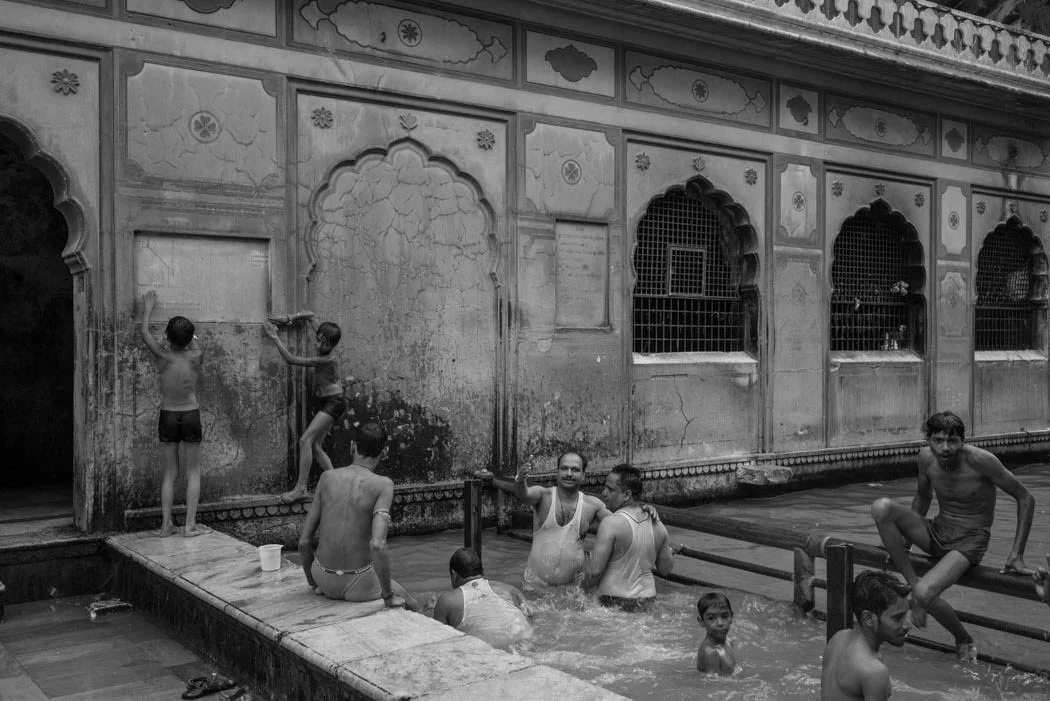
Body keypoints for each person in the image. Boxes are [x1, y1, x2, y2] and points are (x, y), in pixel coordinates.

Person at [871, 410, 1034, 662]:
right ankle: (913, 584)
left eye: (952, 441)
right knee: (881, 507)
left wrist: (1017, 554)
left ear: (963, 441)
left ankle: (963, 637)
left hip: (971, 539)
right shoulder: (925, 458)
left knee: (925, 593)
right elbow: (922, 496)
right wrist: (907, 539)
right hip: (938, 529)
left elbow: (1025, 497)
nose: (945, 448)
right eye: (938, 440)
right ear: (928, 440)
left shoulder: (981, 460)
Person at [297, 421, 418, 610]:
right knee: (412, 603)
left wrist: (314, 583)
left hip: (322, 577)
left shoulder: (327, 477)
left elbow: (304, 542)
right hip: (360, 584)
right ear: (384, 452)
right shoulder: (383, 485)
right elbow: (377, 545)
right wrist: (388, 596)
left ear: (352, 446)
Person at [476, 452, 610, 591]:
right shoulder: (544, 496)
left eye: (575, 469)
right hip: (535, 588)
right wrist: (520, 480)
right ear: (557, 472)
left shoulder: (593, 505)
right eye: (564, 468)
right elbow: (524, 494)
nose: (569, 473)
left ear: (583, 475)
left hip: (571, 591)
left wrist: (596, 562)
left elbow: (619, 524)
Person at [139, 290, 205, 538]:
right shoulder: (196, 356)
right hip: (190, 414)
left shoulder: (163, 356)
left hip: (167, 414)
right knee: (193, 471)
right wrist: (190, 335)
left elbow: (145, 334)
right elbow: (194, 343)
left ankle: (166, 524)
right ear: (189, 339)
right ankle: (189, 525)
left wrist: (148, 308)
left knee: (170, 472)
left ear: (167, 337)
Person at [263, 310, 345, 503]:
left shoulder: (327, 359)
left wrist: (274, 337)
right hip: (327, 401)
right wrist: (289, 318)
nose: (319, 345)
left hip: (334, 402)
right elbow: (311, 315)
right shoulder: (323, 335)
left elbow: (291, 360)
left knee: (305, 440)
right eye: (318, 340)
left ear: (332, 345)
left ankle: (301, 488)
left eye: (325, 344)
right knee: (315, 446)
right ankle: (338, 485)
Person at [584, 464, 674, 611]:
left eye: (610, 489)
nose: (604, 493)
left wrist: (577, 592)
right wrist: (669, 551)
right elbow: (665, 569)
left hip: (612, 602)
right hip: (648, 601)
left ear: (627, 495)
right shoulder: (659, 525)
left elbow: (594, 571)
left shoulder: (610, 523)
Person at [821, 570, 911, 701]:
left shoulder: (838, 638)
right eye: (897, 618)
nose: (907, 625)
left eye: (906, 615)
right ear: (868, 618)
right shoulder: (874, 672)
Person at [432, 547, 532, 648]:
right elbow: (531, 614)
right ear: (482, 569)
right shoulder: (510, 590)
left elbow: (439, 638)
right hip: (525, 640)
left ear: (454, 574)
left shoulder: (447, 600)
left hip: (487, 648)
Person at [695, 592, 736, 675]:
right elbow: (713, 683)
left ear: (731, 617)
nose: (720, 623)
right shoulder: (712, 653)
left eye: (724, 616)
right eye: (711, 618)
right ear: (701, 621)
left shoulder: (728, 641)